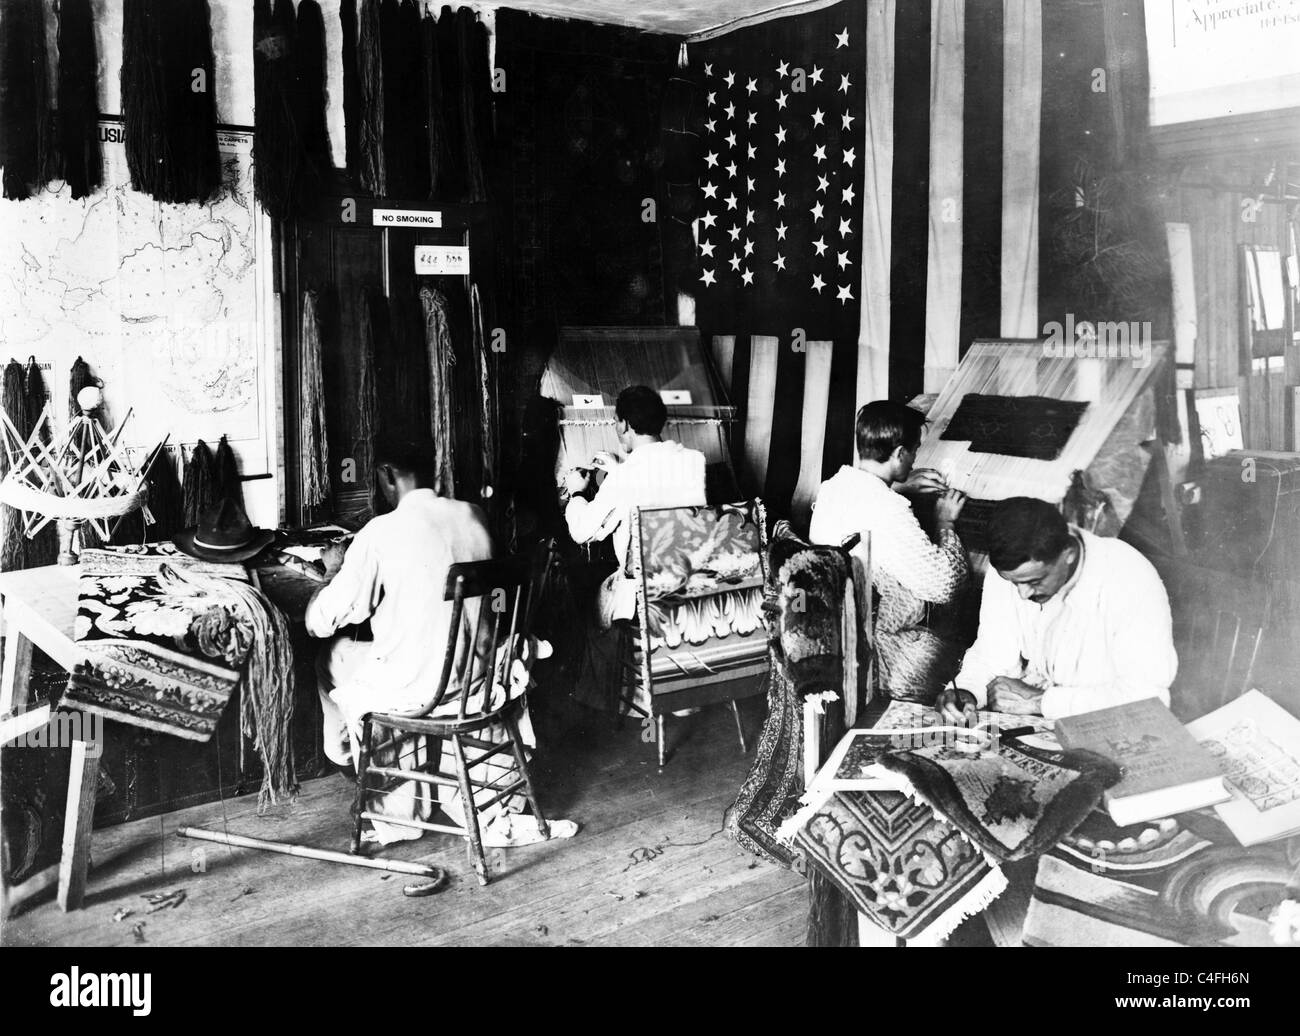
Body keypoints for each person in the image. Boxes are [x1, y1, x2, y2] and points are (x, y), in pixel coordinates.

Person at [307, 436, 576, 848]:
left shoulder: (380, 532)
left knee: (329, 657)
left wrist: (331, 574)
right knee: (413, 647)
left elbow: (322, 621)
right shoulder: (473, 515)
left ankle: (362, 775)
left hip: (421, 689)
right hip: (479, 678)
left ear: (386, 475)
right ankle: (422, 786)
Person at [936, 496, 1178, 724]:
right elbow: (992, 654)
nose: (1023, 594)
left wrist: (1040, 702)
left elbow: (1147, 698)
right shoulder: (1011, 571)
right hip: (1033, 720)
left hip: (1104, 723)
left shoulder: (1129, 578)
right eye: (1014, 583)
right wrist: (967, 691)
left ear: (1068, 554)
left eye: (1035, 581)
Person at [809, 400, 970, 700]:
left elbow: (864, 508)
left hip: (833, 639)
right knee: (970, 662)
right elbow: (944, 585)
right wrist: (945, 522)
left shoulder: (831, 487)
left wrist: (897, 486)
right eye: (914, 451)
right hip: (881, 655)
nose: (915, 460)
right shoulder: (888, 509)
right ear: (899, 454)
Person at [563, 384, 707, 627]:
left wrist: (576, 492)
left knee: (580, 603)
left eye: (615, 421)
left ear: (625, 425)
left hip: (643, 602)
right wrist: (619, 471)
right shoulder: (694, 461)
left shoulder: (624, 478)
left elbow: (581, 532)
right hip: (688, 589)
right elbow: (654, 485)